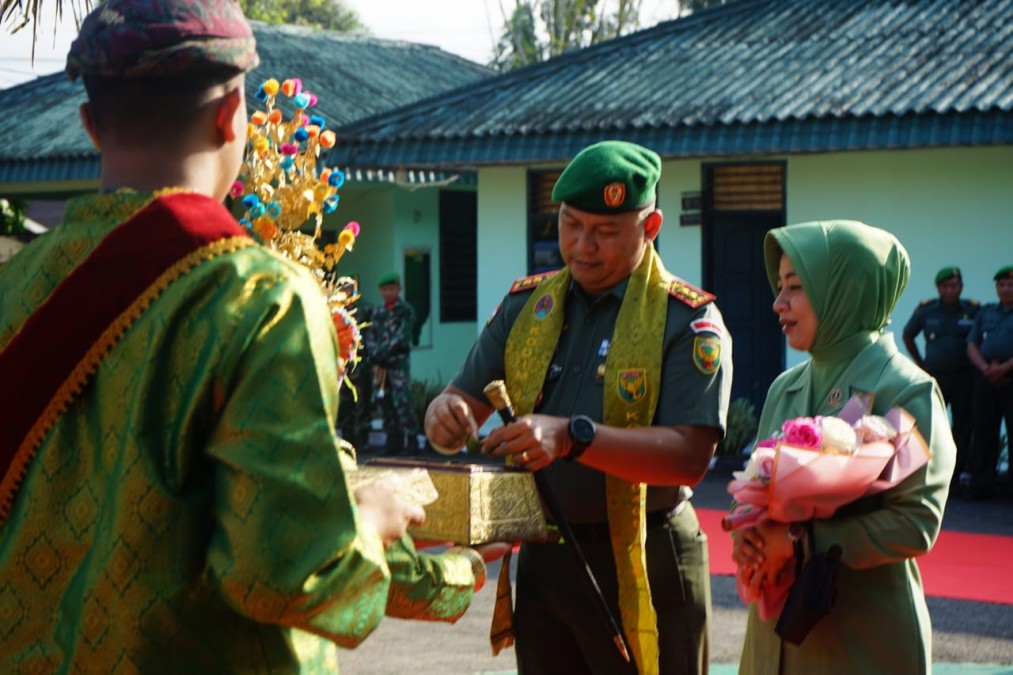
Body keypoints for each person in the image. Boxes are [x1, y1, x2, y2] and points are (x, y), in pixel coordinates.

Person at [0, 2, 492, 671]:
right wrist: (375, 518)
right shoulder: (258, 295)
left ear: (89, 124)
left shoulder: (17, 284)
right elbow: (288, 574)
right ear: (233, 114)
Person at [425, 140, 733, 675]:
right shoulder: (528, 309)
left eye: (606, 232)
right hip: (547, 556)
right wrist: (444, 418)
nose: (582, 246)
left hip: (647, 558)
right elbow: (459, 405)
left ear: (651, 226)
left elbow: (688, 457)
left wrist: (573, 437)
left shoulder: (686, 321)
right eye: (570, 225)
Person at [731, 221, 956, 674]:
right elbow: (755, 494)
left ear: (845, 291)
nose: (778, 303)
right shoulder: (785, 388)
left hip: (860, 641)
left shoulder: (907, 390)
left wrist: (803, 541)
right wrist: (749, 538)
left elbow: (916, 523)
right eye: (779, 287)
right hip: (774, 639)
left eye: (796, 287)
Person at [902, 266, 979, 492]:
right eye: (945, 286)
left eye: (953, 286)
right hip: (936, 376)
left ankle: (957, 476)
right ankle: (930, 473)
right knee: (932, 424)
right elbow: (908, 335)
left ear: (961, 287)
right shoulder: (926, 310)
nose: (949, 290)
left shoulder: (972, 311)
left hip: (965, 377)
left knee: (963, 425)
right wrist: (921, 364)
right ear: (938, 288)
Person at [965, 265, 1013, 500]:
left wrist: (1003, 368)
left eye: (1010, 285)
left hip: (1010, 375)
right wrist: (986, 368)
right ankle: (981, 485)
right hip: (985, 376)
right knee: (984, 430)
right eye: (1001, 284)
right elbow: (972, 343)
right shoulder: (986, 312)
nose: (1005, 289)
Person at [370, 272, 420, 455]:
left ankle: (412, 440)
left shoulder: (405, 311)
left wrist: (385, 352)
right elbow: (371, 335)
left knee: (402, 402)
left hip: (398, 363)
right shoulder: (378, 312)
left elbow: (402, 335)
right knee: (385, 402)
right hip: (382, 365)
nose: (388, 292)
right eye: (384, 289)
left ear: (398, 289)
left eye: (391, 288)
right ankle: (393, 442)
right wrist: (375, 353)